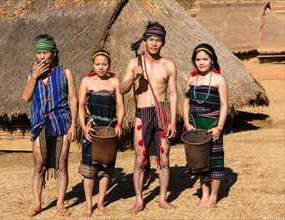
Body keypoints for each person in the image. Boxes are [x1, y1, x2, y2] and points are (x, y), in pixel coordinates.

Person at [119, 22, 178, 214]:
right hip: (141, 112)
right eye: (151, 39)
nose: (154, 44)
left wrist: (172, 121)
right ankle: (139, 201)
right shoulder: (134, 63)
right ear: (145, 41)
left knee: (164, 158)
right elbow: (121, 89)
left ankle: (162, 199)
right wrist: (132, 78)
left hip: (162, 112)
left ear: (163, 43)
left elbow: (173, 94)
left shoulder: (168, 65)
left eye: (158, 40)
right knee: (139, 159)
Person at [22, 34, 77, 217]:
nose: (41, 56)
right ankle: (37, 203)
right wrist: (35, 77)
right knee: (39, 165)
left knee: (62, 165)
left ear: (54, 53)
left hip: (61, 122)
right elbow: (26, 98)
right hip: (40, 123)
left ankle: (60, 203)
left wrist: (73, 126)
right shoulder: (32, 74)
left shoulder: (65, 73)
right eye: (38, 53)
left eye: (45, 52)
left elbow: (73, 99)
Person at [78, 49, 125, 217]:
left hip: (109, 129)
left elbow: (120, 106)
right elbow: (80, 105)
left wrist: (119, 124)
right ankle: (88, 205)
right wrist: (83, 126)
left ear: (109, 65)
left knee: (106, 167)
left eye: (104, 64)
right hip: (92, 128)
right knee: (89, 169)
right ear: (93, 65)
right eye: (97, 64)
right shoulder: (86, 81)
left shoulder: (114, 82)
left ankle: (101, 202)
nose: (101, 67)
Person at [183, 43, 228, 208]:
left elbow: (224, 105)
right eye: (198, 59)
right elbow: (186, 102)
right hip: (196, 125)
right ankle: (205, 194)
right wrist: (187, 123)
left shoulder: (218, 79)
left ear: (212, 60)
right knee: (200, 160)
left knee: (215, 160)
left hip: (213, 125)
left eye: (205, 59)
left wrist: (219, 127)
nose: (201, 62)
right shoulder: (192, 80)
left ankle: (213, 197)